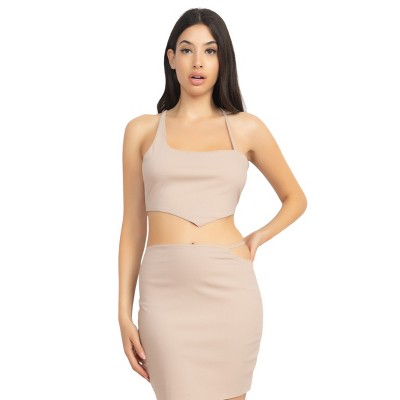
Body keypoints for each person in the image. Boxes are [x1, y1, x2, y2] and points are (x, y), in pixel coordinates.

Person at [118, 7, 307, 400]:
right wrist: (123, 310)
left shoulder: (246, 128)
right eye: (187, 50)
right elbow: (133, 228)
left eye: (210, 50)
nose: (198, 62)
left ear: (223, 60)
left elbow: (295, 199)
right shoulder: (141, 130)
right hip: (164, 296)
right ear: (171, 59)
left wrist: (258, 237)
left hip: (229, 294)